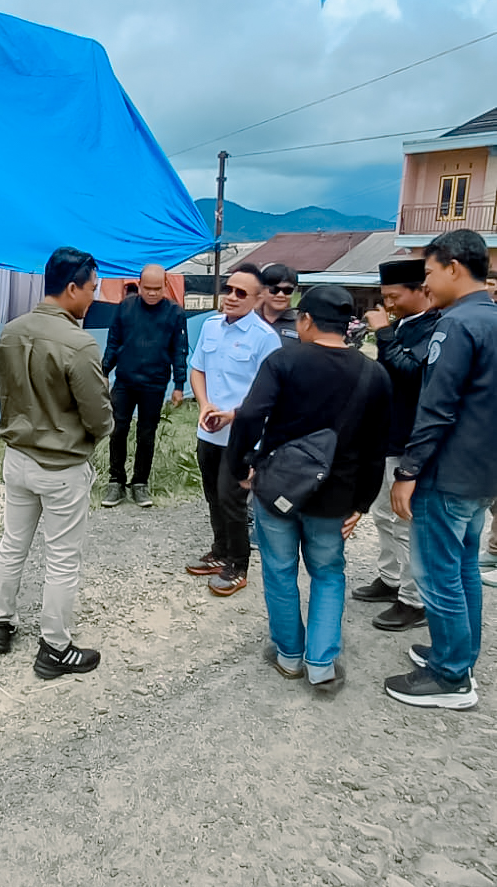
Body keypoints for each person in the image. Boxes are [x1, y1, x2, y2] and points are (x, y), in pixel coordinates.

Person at [229, 284, 391, 691]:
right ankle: (321, 664)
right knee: (328, 574)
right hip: (335, 495)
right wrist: (364, 502)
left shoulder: (283, 361)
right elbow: (377, 448)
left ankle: (288, 655)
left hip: (277, 489)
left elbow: (249, 415)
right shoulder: (374, 373)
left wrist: (241, 467)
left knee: (280, 572)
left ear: (306, 320)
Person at [0, 246, 113, 680]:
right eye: (93, 288)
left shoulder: (10, 331)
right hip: (61, 466)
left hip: (16, 456)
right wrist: (94, 434)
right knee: (62, 558)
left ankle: (1, 626)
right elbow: (99, 416)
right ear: (73, 287)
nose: (94, 296)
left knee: (13, 543)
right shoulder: (79, 343)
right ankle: (55, 648)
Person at [386, 229, 497, 710]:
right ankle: (459, 655)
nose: (426, 282)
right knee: (465, 568)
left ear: (453, 266)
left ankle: (452, 678)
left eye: (429, 272)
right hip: (481, 472)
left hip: (447, 472)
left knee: (438, 574)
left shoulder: (455, 326)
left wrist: (407, 472)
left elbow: (437, 407)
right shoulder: (492, 317)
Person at [352, 260, 438, 631]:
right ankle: (390, 579)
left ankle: (414, 599)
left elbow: (411, 375)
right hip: (385, 436)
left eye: (393, 296)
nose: (387, 304)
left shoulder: (434, 328)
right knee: (384, 516)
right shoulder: (404, 324)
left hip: (409, 440)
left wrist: (384, 335)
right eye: (385, 297)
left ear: (421, 291)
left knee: (407, 523)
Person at [186, 265, 279, 596]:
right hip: (208, 430)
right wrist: (204, 405)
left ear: (257, 299)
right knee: (213, 494)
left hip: (242, 435)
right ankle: (219, 551)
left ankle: (237, 564)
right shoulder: (211, 326)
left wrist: (234, 415)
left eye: (242, 293)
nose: (232, 297)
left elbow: (270, 395)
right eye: (228, 289)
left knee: (232, 498)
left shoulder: (266, 339)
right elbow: (197, 369)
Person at [101, 264, 188, 508]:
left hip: (155, 383)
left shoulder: (175, 314)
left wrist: (179, 384)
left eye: (157, 289)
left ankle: (140, 483)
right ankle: (116, 481)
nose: (152, 293)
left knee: (146, 434)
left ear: (165, 286)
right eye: (147, 288)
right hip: (125, 381)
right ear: (139, 286)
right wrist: (105, 370)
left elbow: (179, 350)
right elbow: (114, 341)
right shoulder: (125, 308)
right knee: (118, 430)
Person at [258, 264, 300, 340]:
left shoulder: (301, 326)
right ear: (261, 289)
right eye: (274, 290)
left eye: (287, 290)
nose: (280, 295)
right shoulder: (247, 319)